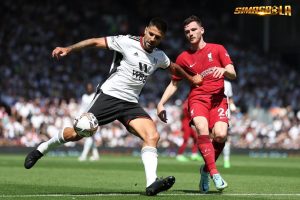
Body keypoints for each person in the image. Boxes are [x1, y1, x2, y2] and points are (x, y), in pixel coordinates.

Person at [24, 17, 202, 196]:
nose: (152, 39)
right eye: (151, 34)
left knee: (152, 135)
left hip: (131, 103)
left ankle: (151, 183)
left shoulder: (159, 56)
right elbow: (94, 42)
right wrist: (68, 49)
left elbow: (174, 68)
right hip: (109, 96)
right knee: (77, 134)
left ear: (161, 39)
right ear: (146, 30)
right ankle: (42, 149)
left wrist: (191, 78)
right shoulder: (126, 41)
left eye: (157, 37)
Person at [157, 15, 236, 193]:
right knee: (202, 129)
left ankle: (205, 169)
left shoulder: (217, 49)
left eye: (193, 30)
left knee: (221, 136)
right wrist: (161, 103)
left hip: (218, 100)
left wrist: (224, 70)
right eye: (187, 32)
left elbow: (232, 73)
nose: (190, 33)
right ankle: (215, 174)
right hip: (198, 99)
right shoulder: (183, 58)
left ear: (202, 30)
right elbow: (174, 83)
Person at [78, 83, 100, 162]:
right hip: (85, 119)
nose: (89, 89)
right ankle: (96, 156)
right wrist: (79, 117)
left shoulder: (95, 95)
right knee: (91, 138)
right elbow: (82, 108)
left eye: (90, 87)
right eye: (88, 87)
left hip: (94, 119)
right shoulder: (84, 97)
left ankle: (83, 155)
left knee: (89, 137)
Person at [223, 79, 237, 168]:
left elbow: (230, 98)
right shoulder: (209, 80)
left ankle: (226, 160)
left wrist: (232, 106)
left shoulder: (227, 84)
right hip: (213, 112)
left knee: (227, 138)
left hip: (226, 113)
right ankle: (211, 161)